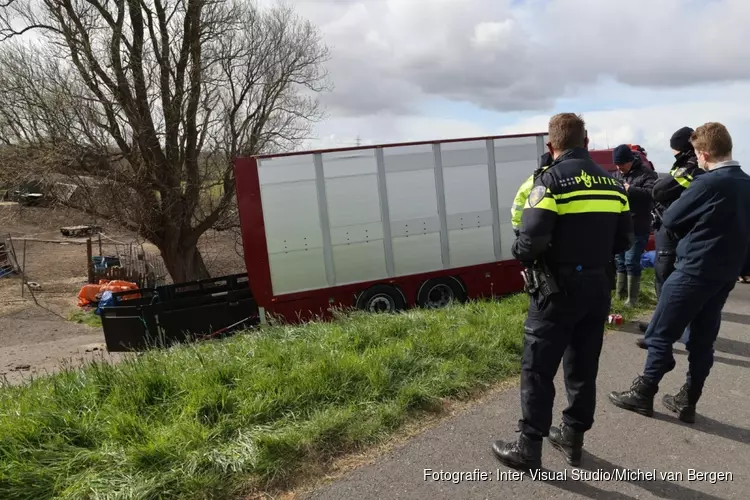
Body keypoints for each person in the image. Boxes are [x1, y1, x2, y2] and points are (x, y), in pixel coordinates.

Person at [491, 113, 634, 470]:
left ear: (551, 146)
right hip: (598, 287)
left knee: (538, 369)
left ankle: (529, 448)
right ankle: (572, 437)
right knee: (583, 366)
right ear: (586, 143)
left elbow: (530, 243)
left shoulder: (548, 182)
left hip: (556, 291)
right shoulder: (614, 185)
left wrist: (520, 250)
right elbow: (624, 239)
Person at [609, 122, 750, 423]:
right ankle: (688, 400)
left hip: (692, 270)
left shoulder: (707, 182)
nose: (696, 159)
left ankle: (643, 394)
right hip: (723, 275)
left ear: (704, 153)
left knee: (660, 333)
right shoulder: (746, 183)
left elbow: (671, 218)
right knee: (702, 340)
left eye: (697, 154)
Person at [635, 127, 704, 349]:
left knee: (669, 282)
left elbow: (662, 190)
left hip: (676, 231)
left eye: (674, 150)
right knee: (663, 280)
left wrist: (659, 190)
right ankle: (659, 325)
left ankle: (666, 333)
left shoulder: (690, 166)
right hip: (672, 230)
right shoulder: (688, 164)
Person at [612, 144, 658, 306]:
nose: (619, 168)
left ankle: (632, 299)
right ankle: (620, 294)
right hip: (621, 225)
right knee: (620, 260)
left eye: (622, 164)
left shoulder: (647, 173)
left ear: (630, 161)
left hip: (638, 225)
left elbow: (652, 194)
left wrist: (630, 189)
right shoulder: (617, 174)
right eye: (617, 165)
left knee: (632, 261)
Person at [511, 152, 553, 236]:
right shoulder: (554, 178)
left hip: (530, 229)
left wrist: (517, 228)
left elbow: (518, 204)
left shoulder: (531, 181)